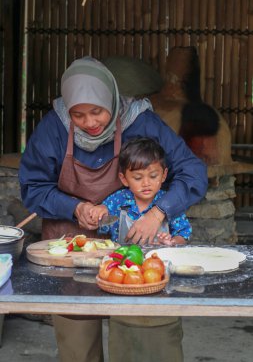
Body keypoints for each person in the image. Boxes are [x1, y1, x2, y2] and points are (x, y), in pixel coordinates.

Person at [19, 56, 208, 362]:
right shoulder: (55, 126)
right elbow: (33, 186)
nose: (90, 123)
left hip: (138, 253)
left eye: (97, 111)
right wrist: (74, 207)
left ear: (111, 97)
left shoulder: (140, 121)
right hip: (74, 253)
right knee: (78, 347)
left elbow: (192, 172)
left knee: (144, 342)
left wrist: (157, 212)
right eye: (78, 115)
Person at [89, 137, 191, 246]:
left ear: (164, 175)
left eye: (153, 176)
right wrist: (99, 213)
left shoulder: (169, 202)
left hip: (158, 261)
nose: (146, 183)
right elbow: (102, 227)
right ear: (124, 179)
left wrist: (172, 242)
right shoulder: (117, 200)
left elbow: (183, 234)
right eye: (138, 178)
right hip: (122, 260)